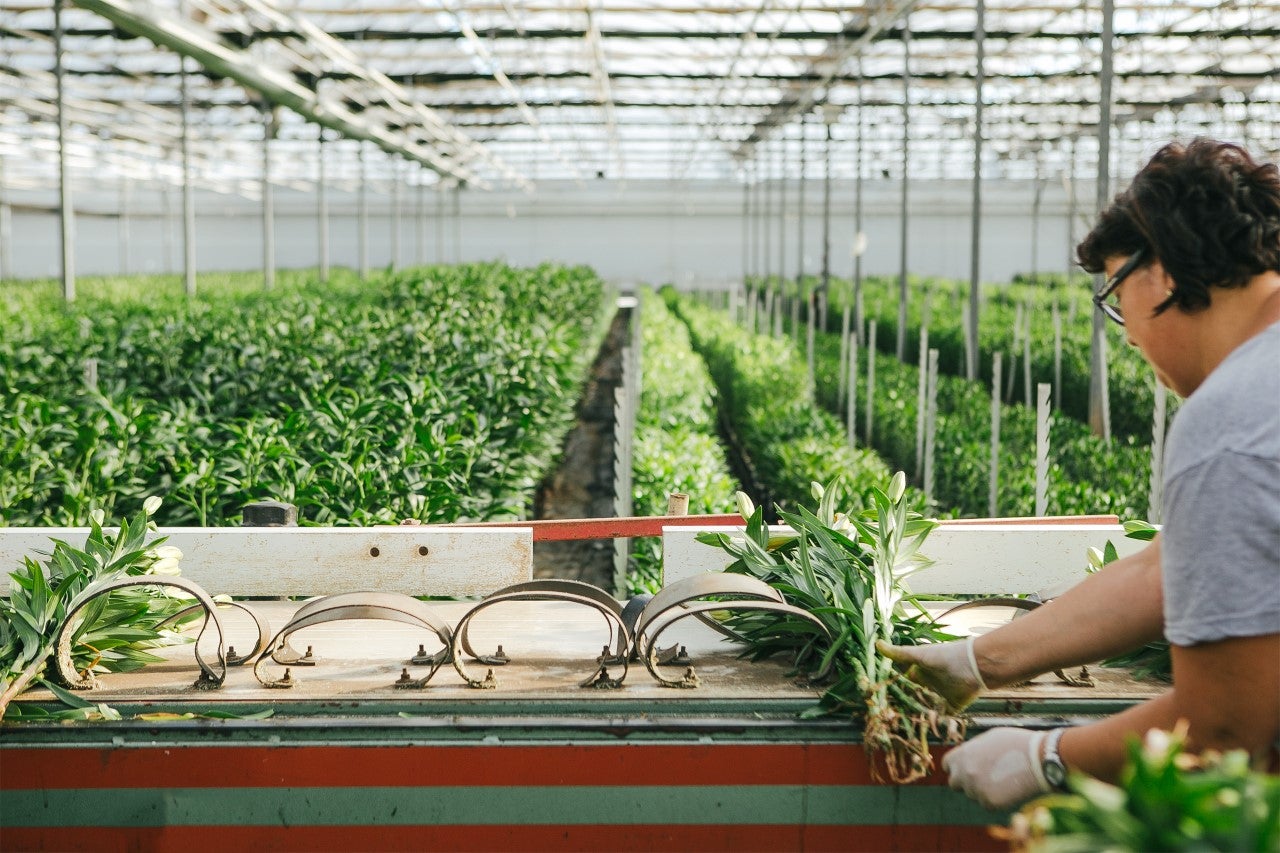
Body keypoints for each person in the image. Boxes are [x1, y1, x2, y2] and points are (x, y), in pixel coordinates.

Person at [881, 138, 1280, 810]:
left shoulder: (1234, 419)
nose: (1126, 334)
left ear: (1161, 273)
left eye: (1117, 294)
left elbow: (1226, 726)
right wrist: (979, 660)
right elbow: (1165, 571)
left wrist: (1049, 757)